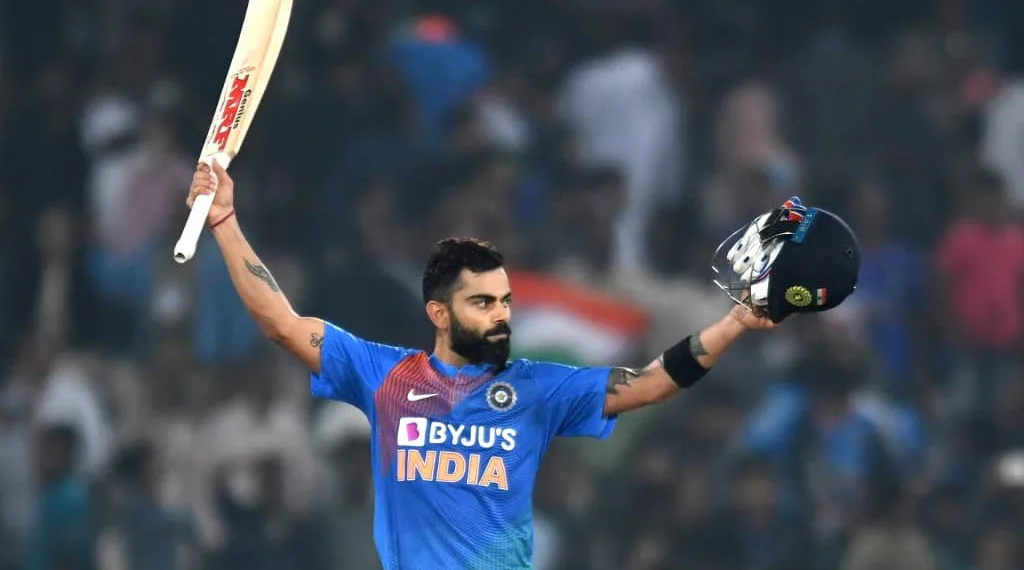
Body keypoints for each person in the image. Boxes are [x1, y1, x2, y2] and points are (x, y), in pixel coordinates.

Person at [185, 162, 860, 570]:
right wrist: (225, 220)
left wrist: (738, 321)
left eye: (505, 301)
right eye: (484, 302)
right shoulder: (385, 376)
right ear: (440, 312)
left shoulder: (536, 390)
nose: (503, 313)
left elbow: (653, 382)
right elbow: (279, 320)